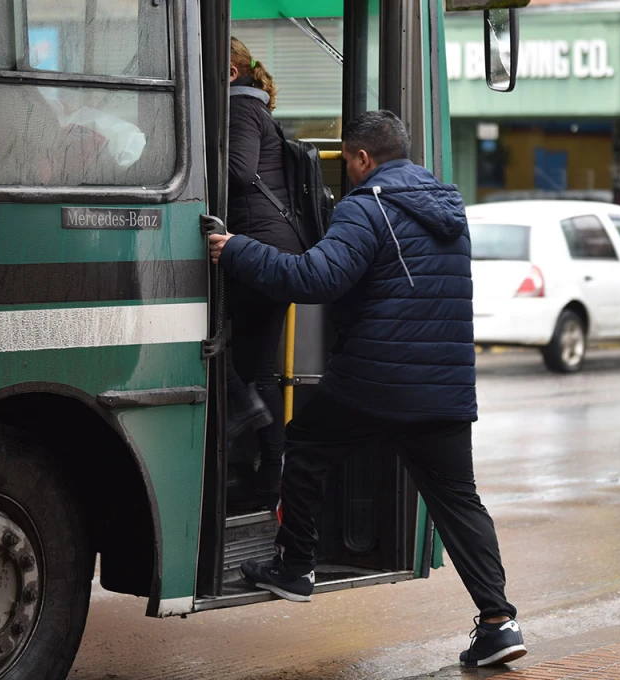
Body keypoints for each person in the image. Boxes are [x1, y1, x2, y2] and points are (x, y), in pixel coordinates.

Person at [207, 110, 526, 668]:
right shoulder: (448, 205)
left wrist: (234, 249)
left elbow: (315, 279)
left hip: (377, 381)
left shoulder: (366, 204)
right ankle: (499, 622)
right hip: (443, 387)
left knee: (304, 446)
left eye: (348, 162)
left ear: (360, 159)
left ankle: (295, 565)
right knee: (458, 502)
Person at [220, 38, 299, 509]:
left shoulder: (239, 109)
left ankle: (252, 436)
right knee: (259, 367)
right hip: (273, 249)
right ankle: (270, 471)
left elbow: (238, 171)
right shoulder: (254, 107)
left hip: (257, 249)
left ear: (230, 74)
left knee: (211, 345)